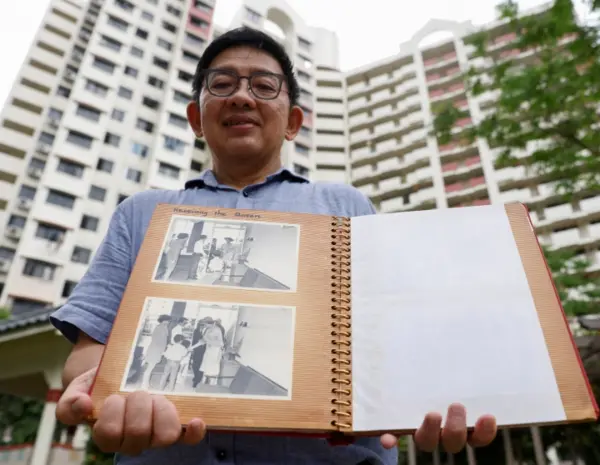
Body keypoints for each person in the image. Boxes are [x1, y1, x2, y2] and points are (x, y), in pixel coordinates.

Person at [51, 26, 497, 464]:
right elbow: (86, 354)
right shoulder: (139, 213)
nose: (242, 97)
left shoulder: (345, 205)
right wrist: (102, 392)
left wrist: (439, 389)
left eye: (264, 86)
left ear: (294, 122)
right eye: (221, 84)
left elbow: (395, 338)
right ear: (195, 119)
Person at [140, 314, 172, 390]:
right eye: (168, 321)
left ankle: (146, 384)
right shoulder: (161, 328)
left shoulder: (161, 327)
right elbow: (160, 341)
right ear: (164, 320)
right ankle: (144, 385)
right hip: (155, 350)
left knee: (150, 368)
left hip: (155, 350)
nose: (169, 322)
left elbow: (161, 341)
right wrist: (162, 351)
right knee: (149, 368)